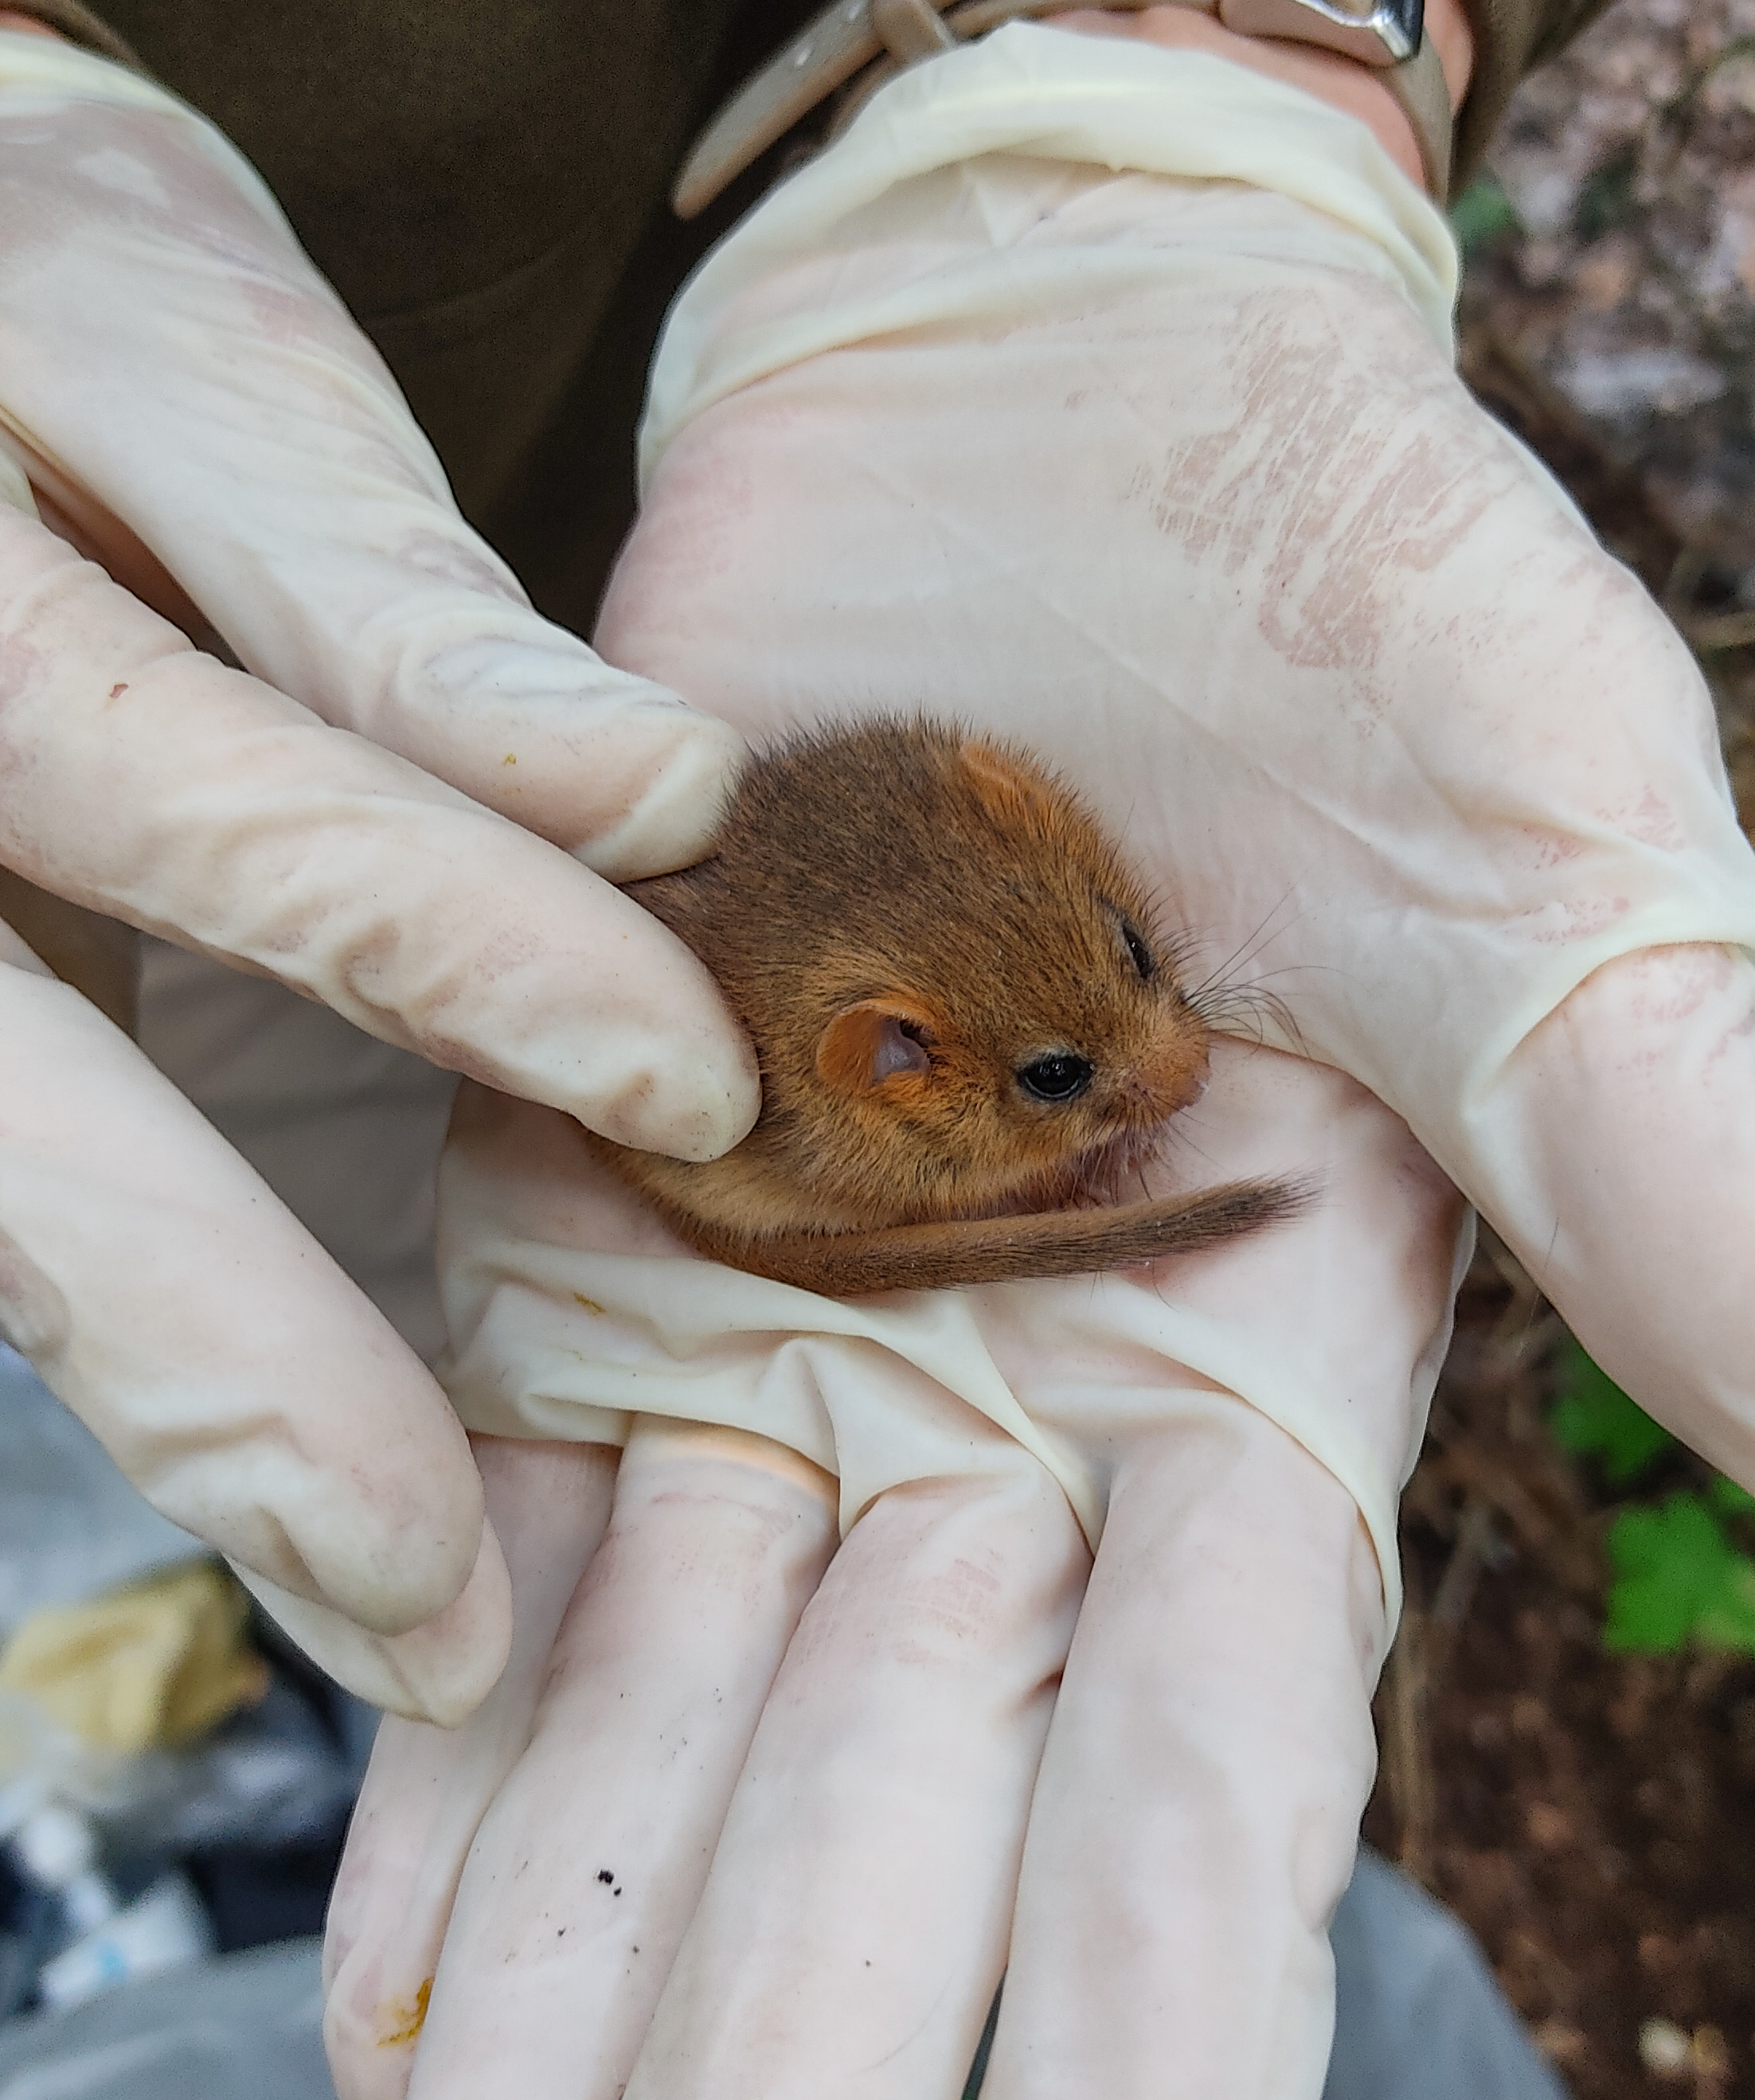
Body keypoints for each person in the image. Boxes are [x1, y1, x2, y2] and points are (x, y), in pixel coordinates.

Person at [4, 2, 1751, 2094]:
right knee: (252, 1315)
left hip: (651, 519)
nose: (1152, 1063)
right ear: (898, 1067)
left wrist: (1201, 58)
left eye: (1125, 974)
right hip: (150, 660)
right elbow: (795, 1155)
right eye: (1055, 1085)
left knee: (447, 1413)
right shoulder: (862, 1114)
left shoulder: (974, 846)